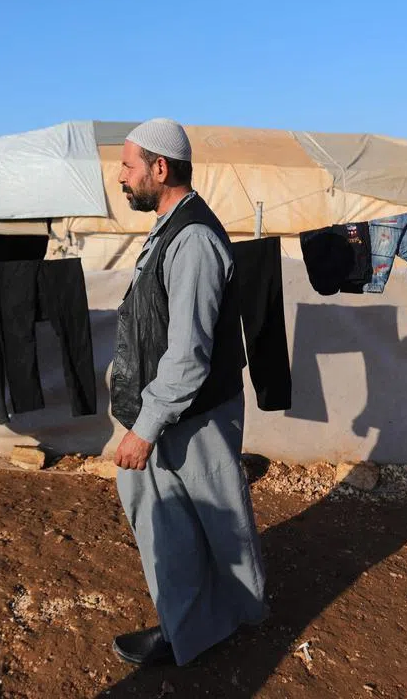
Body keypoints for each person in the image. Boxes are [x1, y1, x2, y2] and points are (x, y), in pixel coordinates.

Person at [109, 118, 268, 667]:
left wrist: (145, 426)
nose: (121, 177)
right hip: (170, 409)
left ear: (161, 167)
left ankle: (220, 626)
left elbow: (188, 354)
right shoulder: (169, 228)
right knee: (172, 527)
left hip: (189, 414)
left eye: (129, 166)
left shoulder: (193, 238)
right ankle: (193, 626)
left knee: (210, 521)